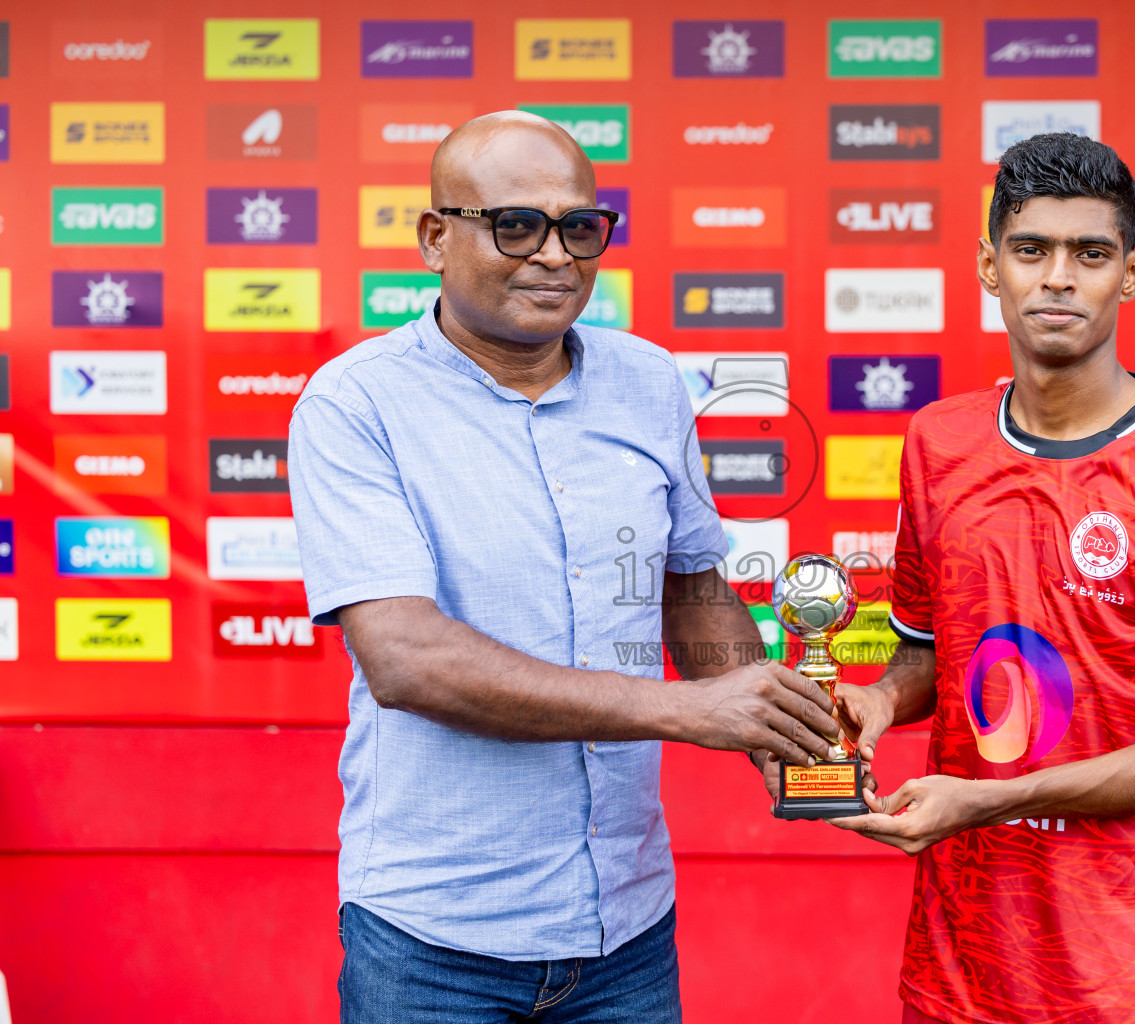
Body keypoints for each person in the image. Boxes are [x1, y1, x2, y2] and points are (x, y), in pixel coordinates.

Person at [288, 110, 842, 1023]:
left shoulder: (652, 382)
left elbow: (694, 588)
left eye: (580, 228)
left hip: (625, 929)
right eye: (516, 225)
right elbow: (406, 659)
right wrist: (685, 709)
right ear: (437, 237)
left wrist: (788, 743)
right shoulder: (356, 406)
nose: (554, 255)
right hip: (435, 945)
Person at [807, 133, 1135, 1023]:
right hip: (958, 974)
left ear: (1133, 272)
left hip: (1130, 981)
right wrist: (876, 703)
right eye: (1031, 250)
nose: (1057, 277)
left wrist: (994, 799)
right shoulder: (936, 443)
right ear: (990, 265)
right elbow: (933, 662)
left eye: (1090, 254)